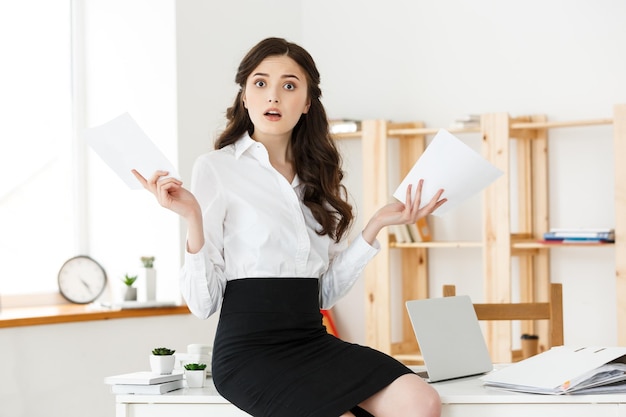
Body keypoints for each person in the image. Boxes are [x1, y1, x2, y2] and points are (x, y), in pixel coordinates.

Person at [133, 37, 446, 417]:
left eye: (289, 85)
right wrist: (193, 219)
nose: (274, 97)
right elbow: (203, 305)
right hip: (249, 354)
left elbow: (324, 294)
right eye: (260, 83)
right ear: (244, 97)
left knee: (421, 400)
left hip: (312, 341)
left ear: (308, 101)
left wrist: (376, 224)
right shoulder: (216, 168)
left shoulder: (319, 178)